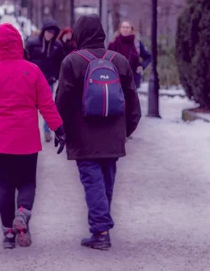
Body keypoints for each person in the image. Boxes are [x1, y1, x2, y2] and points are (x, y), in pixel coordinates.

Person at [0, 23, 66, 249]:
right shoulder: (32, 70)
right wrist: (59, 130)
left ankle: (8, 234)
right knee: (27, 181)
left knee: (4, 184)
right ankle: (22, 213)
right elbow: (47, 105)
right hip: (26, 138)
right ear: (19, 44)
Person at [55, 14, 141, 251]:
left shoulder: (72, 61)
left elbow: (62, 100)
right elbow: (133, 101)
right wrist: (125, 130)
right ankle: (99, 227)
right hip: (112, 135)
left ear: (80, 34)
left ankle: (101, 232)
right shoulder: (119, 60)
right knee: (105, 183)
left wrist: (60, 129)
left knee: (93, 182)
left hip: (83, 136)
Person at [25, 19, 65, 142]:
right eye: (48, 32)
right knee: (29, 106)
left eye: (52, 33)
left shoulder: (57, 46)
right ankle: (29, 130)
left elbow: (60, 63)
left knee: (47, 106)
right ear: (43, 31)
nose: (50, 34)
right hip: (32, 80)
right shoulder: (32, 43)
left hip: (49, 80)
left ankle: (47, 130)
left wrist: (56, 76)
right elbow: (25, 60)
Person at [108, 20, 152, 89]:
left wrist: (142, 66)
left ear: (131, 29)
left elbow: (148, 57)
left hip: (133, 79)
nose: (125, 29)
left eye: (127, 27)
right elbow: (107, 59)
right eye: (123, 27)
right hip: (116, 78)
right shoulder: (113, 43)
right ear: (119, 29)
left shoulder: (137, 43)